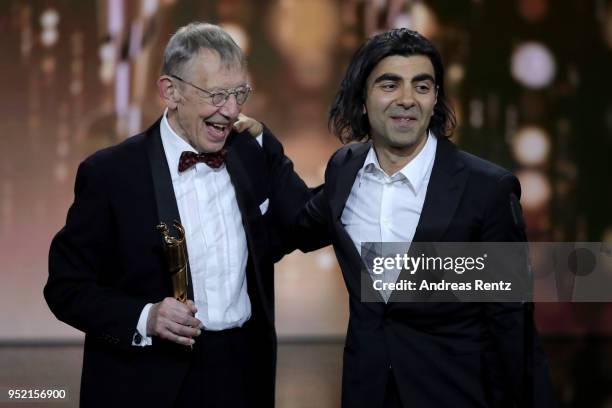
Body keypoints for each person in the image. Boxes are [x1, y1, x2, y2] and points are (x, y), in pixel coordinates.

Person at [44, 22, 309, 408]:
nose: (232, 109)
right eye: (217, 94)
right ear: (171, 91)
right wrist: (145, 317)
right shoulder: (110, 174)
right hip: (149, 381)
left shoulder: (250, 153)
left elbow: (297, 227)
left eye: (239, 94)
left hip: (242, 376)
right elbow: (66, 287)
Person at [292, 28, 555, 407]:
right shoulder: (343, 172)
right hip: (367, 392)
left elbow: (512, 327)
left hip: (455, 394)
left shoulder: (487, 190)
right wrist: (259, 146)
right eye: (389, 84)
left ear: (435, 100)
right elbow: (295, 225)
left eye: (421, 86)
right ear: (362, 99)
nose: (406, 100)